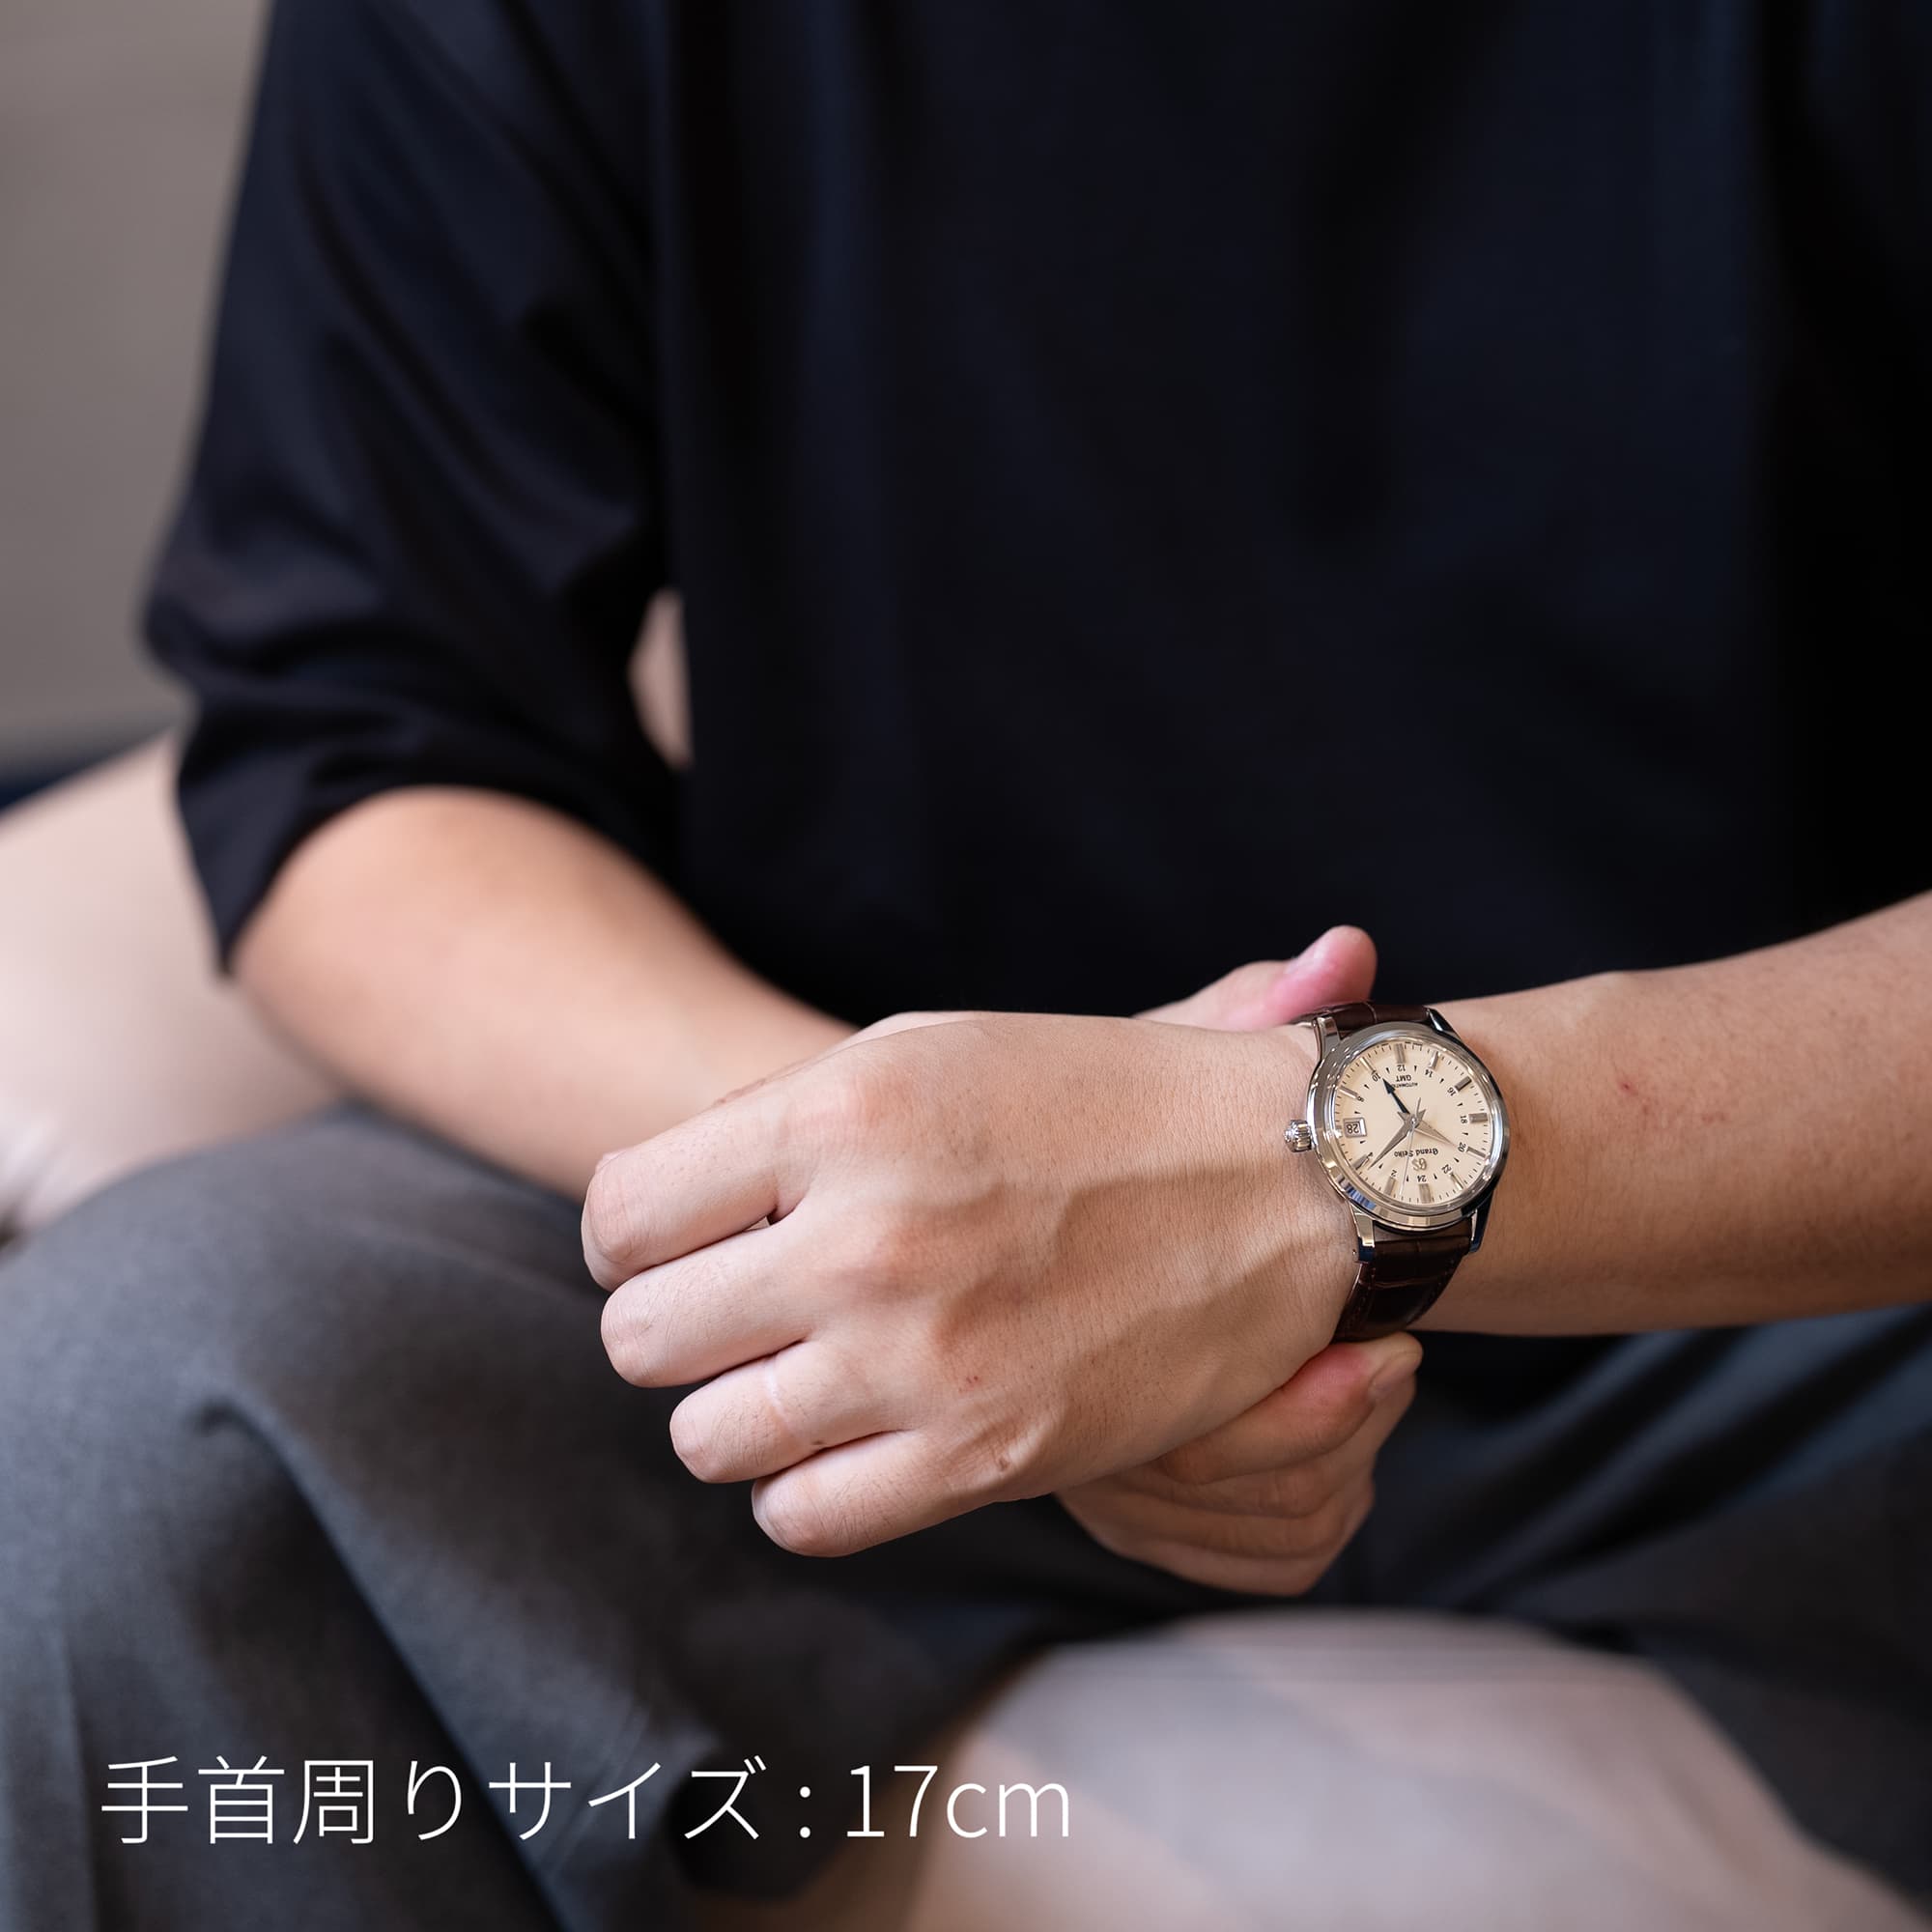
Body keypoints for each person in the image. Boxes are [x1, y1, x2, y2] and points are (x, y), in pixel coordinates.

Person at [1, 1, 1927, 1923]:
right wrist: (913, 1228)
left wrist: (1304, 1191)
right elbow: (364, 730)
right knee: (133, 1415)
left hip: (1788, 1283)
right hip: (804, 1180)